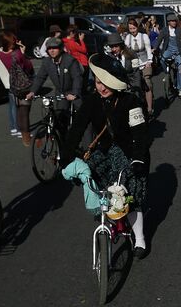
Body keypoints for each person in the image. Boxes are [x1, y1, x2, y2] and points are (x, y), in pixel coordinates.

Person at [61, 56, 151, 259]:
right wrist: (66, 156)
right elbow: (77, 128)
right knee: (93, 180)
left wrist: (138, 158)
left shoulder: (131, 101)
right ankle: (107, 224)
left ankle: (139, 238)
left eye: (106, 83)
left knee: (131, 195)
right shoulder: (91, 100)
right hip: (104, 151)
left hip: (130, 152)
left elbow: (140, 133)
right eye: (98, 82)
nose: (101, 88)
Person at [25, 37, 83, 135]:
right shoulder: (47, 62)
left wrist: (75, 93)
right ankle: (63, 143)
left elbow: (77, 77)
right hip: (61, 92)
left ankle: (88, 145)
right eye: (49, 48)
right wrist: (32, 92)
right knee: (60, 118)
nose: (51, 50)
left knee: (82, 117)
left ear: (60, 48)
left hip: (73, 90)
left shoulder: (70, 60)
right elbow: (40, 78)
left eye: (54, 48)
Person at [0, 31, 34, 144]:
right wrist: (23, 52)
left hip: (13, 85)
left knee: (17, 110)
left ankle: (20, 132)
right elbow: (28, 67)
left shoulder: (0, 54)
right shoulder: (17, 54)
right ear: (11, 42)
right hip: (24, 86)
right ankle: (26, 137)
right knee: (25, 110)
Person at [124, 20, 154, 115]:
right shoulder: (128, 38)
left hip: (145, 62)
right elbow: (125, 51)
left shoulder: (143, 36)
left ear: (137, 27)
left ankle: (149, 108)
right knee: (134, 85)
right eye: (130, 29)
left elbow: (148, 49)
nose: (132, 31)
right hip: (134, 64)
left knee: (147, 82)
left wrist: (149, 61)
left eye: (134, 28)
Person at [153, 14, 181, 97]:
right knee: (162, 59)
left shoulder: (179, 30)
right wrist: (154, 48)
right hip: (168, 50)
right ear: (168, 22)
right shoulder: (164, 30)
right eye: (172, 21)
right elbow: (159, 39)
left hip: (178, 51)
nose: (174, 22)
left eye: (175, 21)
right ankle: (166, 72)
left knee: (180, 68)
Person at [63, 25, 90, 92]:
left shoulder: (65, 41)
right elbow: (84, 50)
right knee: (84, 81)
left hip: (76, 62)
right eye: (75, 33)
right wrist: (81, 40)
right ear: (71, 33)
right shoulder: (71, 42)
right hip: (82, 62)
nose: (76, 35)